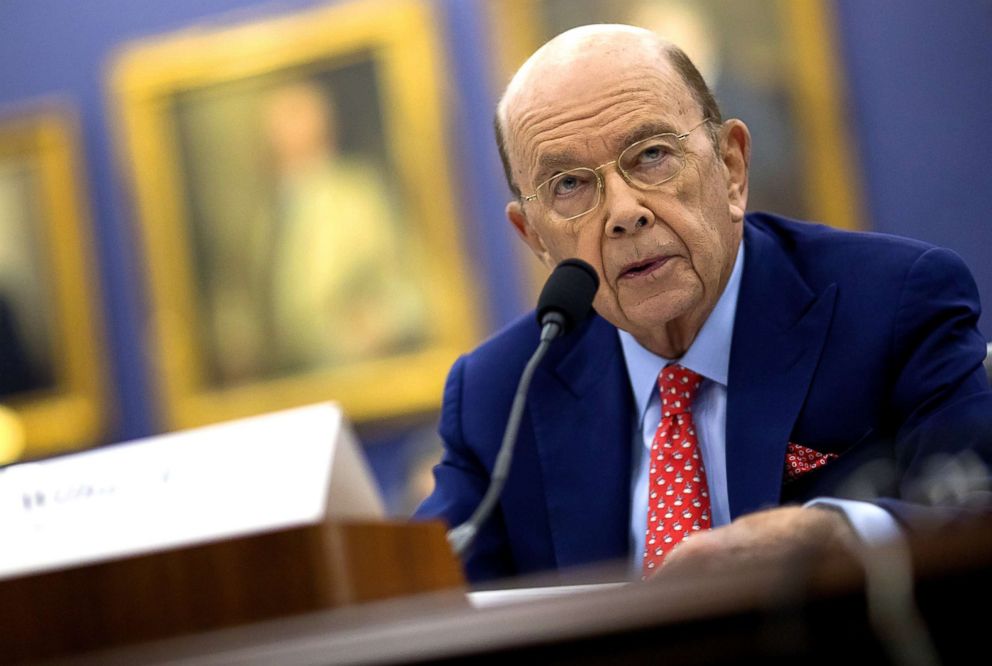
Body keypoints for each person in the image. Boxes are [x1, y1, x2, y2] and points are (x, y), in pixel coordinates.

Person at [415, 25, 992, 583]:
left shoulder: (892, 303)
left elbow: (978, 512)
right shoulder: (499, 397)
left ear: (732, 167)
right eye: (570, 185)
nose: (623, 212)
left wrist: (840, 537)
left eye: (650, 155)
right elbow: (421, 597)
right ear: (534, 236)